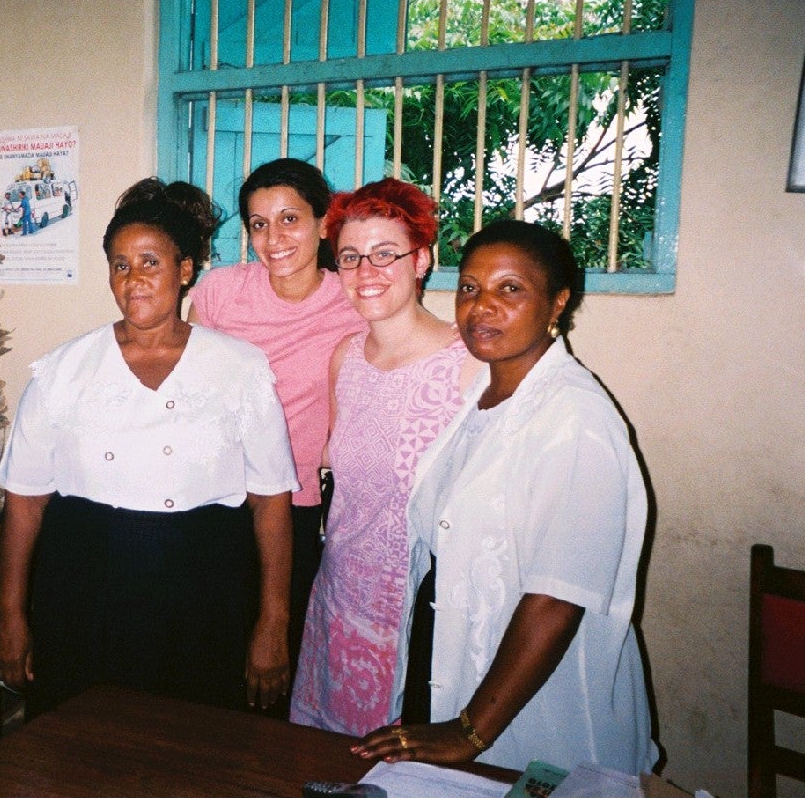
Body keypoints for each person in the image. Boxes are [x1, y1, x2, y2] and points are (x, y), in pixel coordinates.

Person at [353, 220, 658, 774]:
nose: (481, 306)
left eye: (510, 289)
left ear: (557, 303)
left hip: (530, 707)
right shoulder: (485, 397)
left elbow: (555, 598)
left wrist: (470, 731)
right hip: (456, 672)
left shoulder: (575, 419)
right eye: (470, 288)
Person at [0, 178, 297, 717]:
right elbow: (24, 501)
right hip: (84, 585)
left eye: (150, 262)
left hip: (204, 589)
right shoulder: (63, 370)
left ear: (184, 271)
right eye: (119, 264)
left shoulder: (240, 369)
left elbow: (271, 502)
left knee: (192, 749)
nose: (133, 279)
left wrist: (273, 621)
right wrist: (11, 615)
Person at [290, 178, 481, 737]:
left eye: (385, 254)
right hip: (339, 599)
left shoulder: (468, 363)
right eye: (350, 257)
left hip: (421, 614)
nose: (365, 271)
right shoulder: (344, 357)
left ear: (422, 260)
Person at [187, 158, 366, 685]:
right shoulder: (221, 292)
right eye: (259, 224)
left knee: (277, 655)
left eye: (290, 218)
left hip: (293, 506)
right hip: (213, 497)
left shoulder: (353, 300)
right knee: (209, 653)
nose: (274, 237)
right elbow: (189, 389)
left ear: (322, 223)